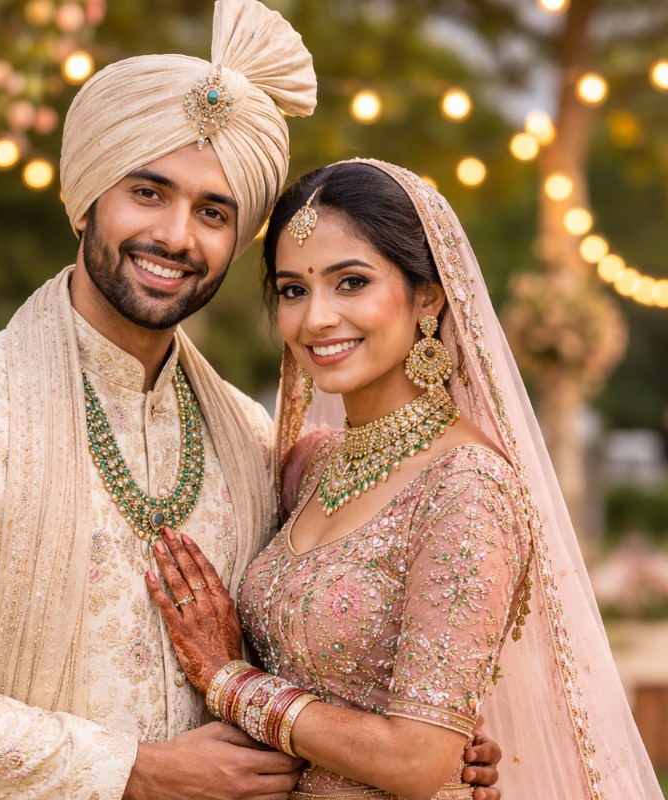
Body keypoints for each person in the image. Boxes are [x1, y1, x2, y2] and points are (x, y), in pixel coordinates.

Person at [0, 3, 502, 799]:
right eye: (148, 192)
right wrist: (135, 772)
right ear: (88, 196)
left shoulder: (250, 432)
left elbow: (301, 639)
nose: (176, 236)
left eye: (213, 213)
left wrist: (422, 739)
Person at [145, 159, 664, 800]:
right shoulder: (308, 465)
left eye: (351, 282)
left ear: (428, 294)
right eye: (292, 290)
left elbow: (417, 761)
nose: (316, 319)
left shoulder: (467, 488)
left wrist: (229, 680)